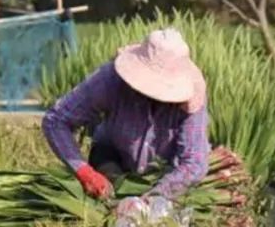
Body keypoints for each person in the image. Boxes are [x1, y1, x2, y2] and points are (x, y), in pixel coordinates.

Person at [41, 28, 211, 208]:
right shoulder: (111, 80)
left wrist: (151, 199)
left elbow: (194, 163)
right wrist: (84, 171)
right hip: (113, 159)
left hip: (165, 173)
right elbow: (56, 120)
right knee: (108, 190)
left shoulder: (191, 97)